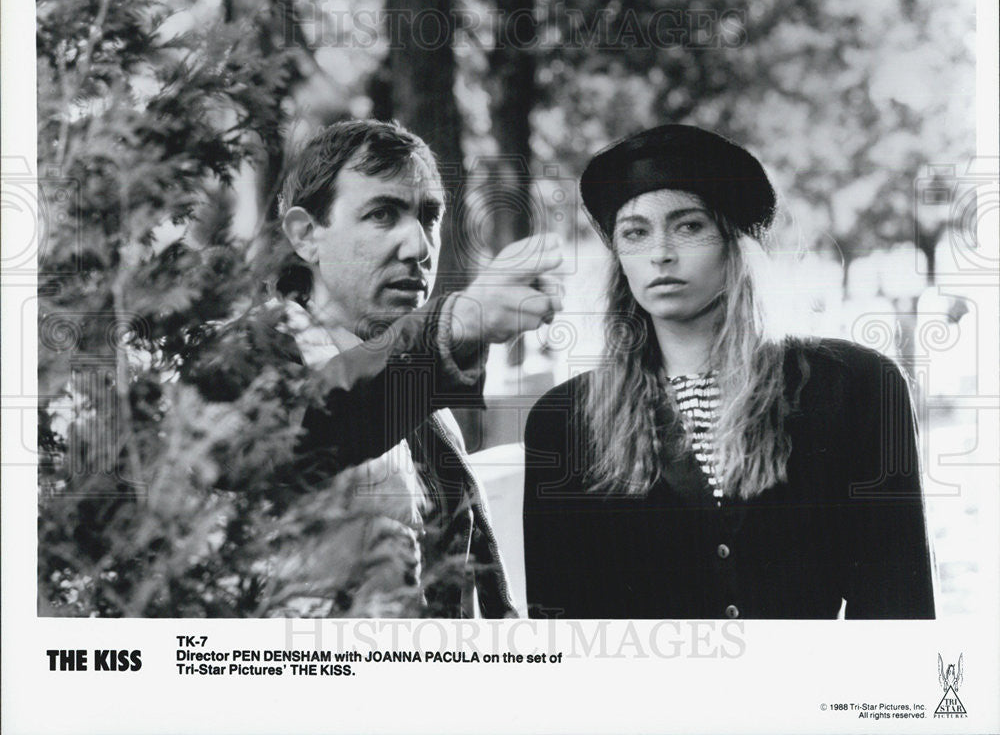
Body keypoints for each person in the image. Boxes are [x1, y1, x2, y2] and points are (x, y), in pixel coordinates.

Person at [522, 124, 936, 619]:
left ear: (736, 242)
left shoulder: (855, 385)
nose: (660, 253)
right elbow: (561, 634)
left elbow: (898, 607)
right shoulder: (565, 420)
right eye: (635, 233)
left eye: (689, 225)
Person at [256, 119, 562, 617]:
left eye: (429, 217)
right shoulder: (250, 365)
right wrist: (453, 323)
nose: (419, 247)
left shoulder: (427, 409)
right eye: (382, 214)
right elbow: (318, 417)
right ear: (306, 234)